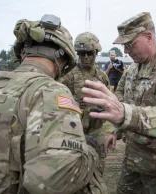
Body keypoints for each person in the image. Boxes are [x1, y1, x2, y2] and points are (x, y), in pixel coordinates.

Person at [0, 15, 100, 194]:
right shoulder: (49, 90)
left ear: (23, 53)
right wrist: (91, 152)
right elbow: (52, 181)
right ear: (63, 60)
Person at [82, 12, 156, 194]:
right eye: (124, 46)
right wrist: (117, 131)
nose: (126, 51)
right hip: (133, 160)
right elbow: (123, 101)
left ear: (149, 37)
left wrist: (125, 114)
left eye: (130, 44)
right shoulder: (132, 70)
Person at [59, 31, 109, 194]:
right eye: (81, 53)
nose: (86, 57)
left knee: (97, 173)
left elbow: (108, 100)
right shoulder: (68, 76)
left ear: (96, 53)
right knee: (73, 177)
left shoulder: (102, 76)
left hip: (96, 132)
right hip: (74, 134)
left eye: (90, 53)